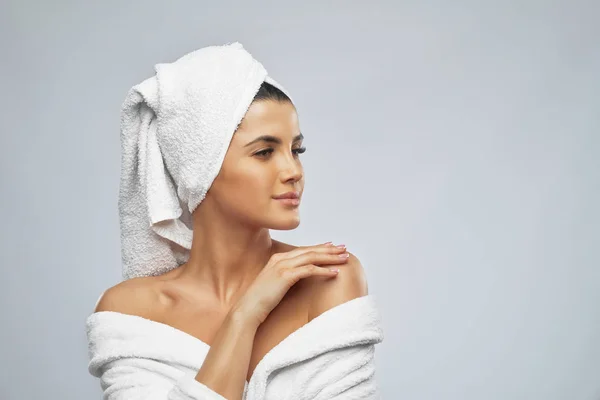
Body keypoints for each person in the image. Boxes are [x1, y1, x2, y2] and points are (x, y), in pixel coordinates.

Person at [87, 43, 383, 400]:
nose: (293, 171)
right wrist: (245, 315)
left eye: (296, 150)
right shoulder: (130, 313)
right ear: (200, 169)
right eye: (264, 152)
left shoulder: (330, 279)